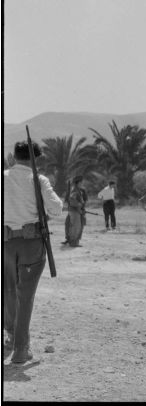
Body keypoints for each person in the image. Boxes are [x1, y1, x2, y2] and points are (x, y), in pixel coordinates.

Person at [3, 140, 63, 364]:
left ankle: (10, 337)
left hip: (6, 242)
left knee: (8, 291)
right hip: (31, 244)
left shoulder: (3, 177)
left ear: (15, 156)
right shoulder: (39, 179)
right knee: (25, 296)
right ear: (35, 159)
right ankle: (21, 349)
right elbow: (56, 208)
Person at [67, 176, 86, 247]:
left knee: (76, 226)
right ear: (78, 183)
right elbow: (72, 201)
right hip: (75, 211)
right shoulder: (75, 190)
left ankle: (74, 242)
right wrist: (80, 205)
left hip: (76, 211)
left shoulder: (78, 190)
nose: (82, 183)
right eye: (81, 182)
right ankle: (73, 242)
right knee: (76, 226)